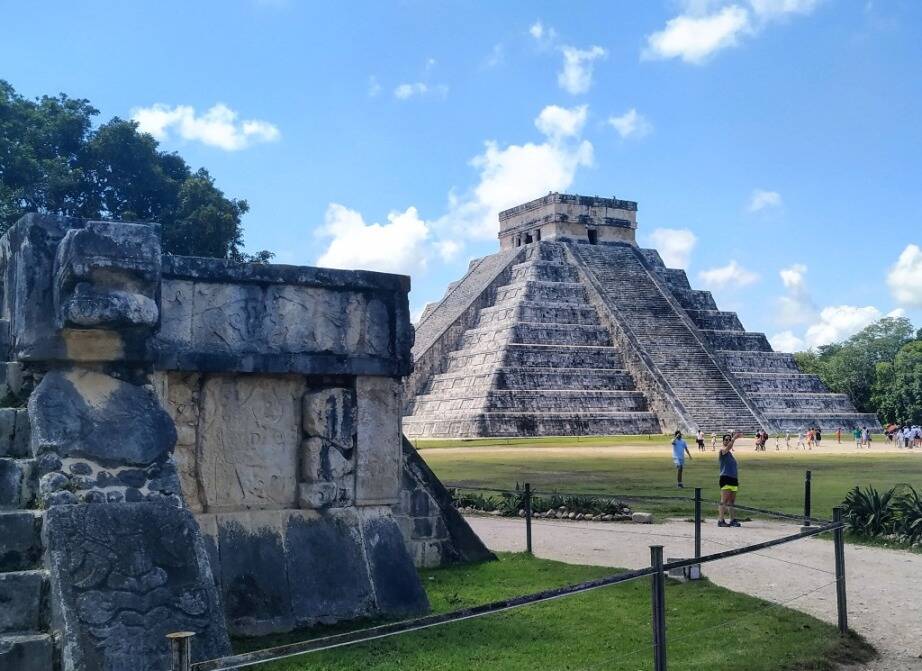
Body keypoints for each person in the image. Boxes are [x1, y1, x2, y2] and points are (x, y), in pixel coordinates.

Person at [718, 430, 744, 527]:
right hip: (725, 478)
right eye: (726, 440)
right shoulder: (722, 451)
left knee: (732, 502)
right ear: (723, 441)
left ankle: (732, 520)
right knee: (723, 500)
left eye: (729, 439)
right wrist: (734, 439)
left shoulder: (730, 454)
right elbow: (728, 448)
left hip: (733, 479)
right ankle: (721, 520)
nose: (728, 441)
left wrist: (736, 479)